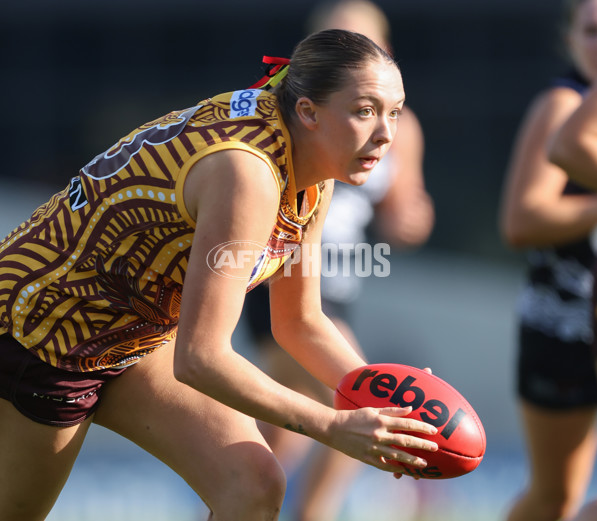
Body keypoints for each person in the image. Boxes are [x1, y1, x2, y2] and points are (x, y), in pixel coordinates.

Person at [0, 29, 440, 521]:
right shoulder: (246, 173)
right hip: (41, 330)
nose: (386, 134)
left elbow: (300, 322)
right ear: (309, 111)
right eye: (365, 110)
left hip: (130, 333)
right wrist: (332, 425)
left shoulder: (314, 167)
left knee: (251, 484)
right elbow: (201, 359)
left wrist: (388, 400)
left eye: (394, 112)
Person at [241, 2, 435, 520]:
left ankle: (233, 500)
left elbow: (402, 211)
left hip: (342, 284)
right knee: (357, 401)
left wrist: (412, 219)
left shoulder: (399, 129)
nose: (382, 131)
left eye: (363, 43)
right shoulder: (287, 124)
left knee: (275, 448)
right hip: (283, 274)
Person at [498, 1, 597, 520]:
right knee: (554, 497)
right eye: (592, 31)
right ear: (569, 39)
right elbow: (521, 221)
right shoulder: (564, 104)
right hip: (560, 322)